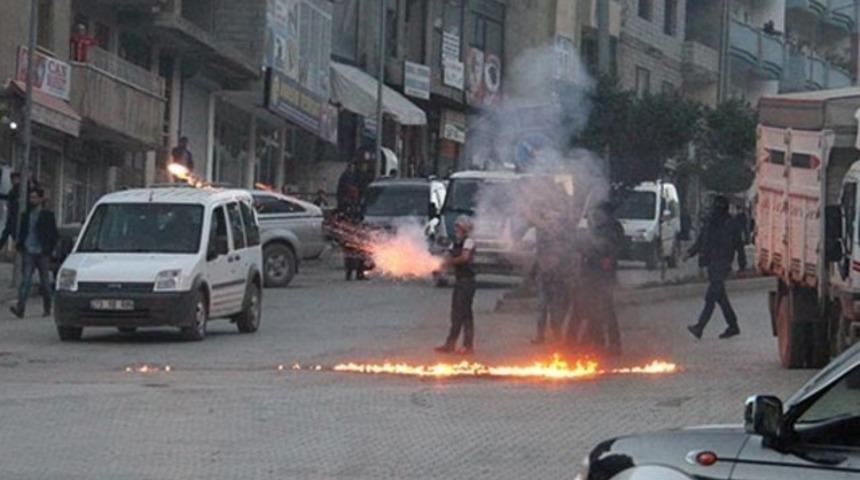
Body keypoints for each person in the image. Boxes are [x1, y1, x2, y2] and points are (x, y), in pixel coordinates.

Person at [686, 195, 747, 339]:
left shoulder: (731, 224)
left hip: (723, 264)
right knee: (721, 298)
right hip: (712, 264)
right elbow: (701, 241)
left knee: (711, 297)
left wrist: (742, 266)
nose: (716, 209)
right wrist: (690, 253)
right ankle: (733, 326)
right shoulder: (710, 223)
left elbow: (739, 246)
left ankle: (699, 327)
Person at [573, 201, 624, 356]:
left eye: (598, 213)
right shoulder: (597, 229)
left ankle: (613, 345)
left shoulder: (612, 230)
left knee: (606, 310)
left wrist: (589, 249)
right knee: (589, 308)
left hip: (603, 276)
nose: (595, 216)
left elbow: (607, 250)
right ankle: (597, 341)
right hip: (590, 275)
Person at [10, 187, 58, 318]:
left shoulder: (48, 215)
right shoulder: (26, 215)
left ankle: (47, 307)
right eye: (31, 197)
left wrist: (49, 249)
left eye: (35, 197)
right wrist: (20, 245)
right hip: (29, 251)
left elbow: (54, 234)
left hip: (42, 252)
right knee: (26, 280)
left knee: (45, 282)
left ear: (41, 199)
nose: (32, 200)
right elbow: (23, 232)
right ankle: (20, 308)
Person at [435, 216, 477, 354]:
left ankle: (466, 345)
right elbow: (448, 254)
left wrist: (449, 262)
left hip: (467, 281)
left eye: (458, 227)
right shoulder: (456, 243)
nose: (456, 229)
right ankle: (452, 344)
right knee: (456, 313)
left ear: (464, 229)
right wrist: (438, 263)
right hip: (460, 281)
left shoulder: (469, 242)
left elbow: (464, 258)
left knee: (464, 314)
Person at [0, 172, 22, 249]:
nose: (13, 181)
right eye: (12, 179)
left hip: (16, 217)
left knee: (11, 234)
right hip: (12, 217)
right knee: (6, 235)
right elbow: (9, 198)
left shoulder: (19, 189)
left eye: (15, 179)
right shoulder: (13, 190)